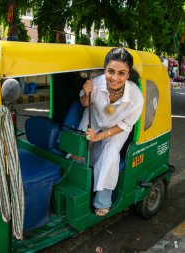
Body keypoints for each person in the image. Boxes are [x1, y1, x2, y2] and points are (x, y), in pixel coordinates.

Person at [76, 48, 144, 216]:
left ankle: (102, 201)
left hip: (118, 127)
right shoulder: (96, 83)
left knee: (110, 155)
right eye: (110, 71)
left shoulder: (136, 97)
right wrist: (86, 92)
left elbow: (126, 124)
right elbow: (85, 103)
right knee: (77, 147)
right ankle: (77, 184)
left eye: (121, 73)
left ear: (128, 75)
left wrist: (101, 136)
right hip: (94, 117)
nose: (115, 78)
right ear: (105, 70)